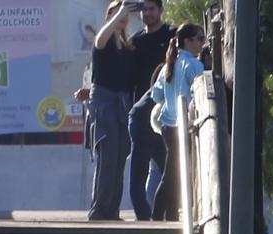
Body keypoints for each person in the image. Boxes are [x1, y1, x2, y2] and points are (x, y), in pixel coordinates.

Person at [150, 22, 206, 221]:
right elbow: (201, 96)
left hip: (167, 124)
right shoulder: (195, 65)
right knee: (172, 173)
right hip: (184, 125)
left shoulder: (169, 64)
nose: (203, 43)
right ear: (188, 41)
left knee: (173, 171)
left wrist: (170, 94)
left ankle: (171, 215)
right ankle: (157, 216)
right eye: (200, 38)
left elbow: (156, 95)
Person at [87, 1, 135, 221]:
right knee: (106, 156)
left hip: (122, 105)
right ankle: (99, 210)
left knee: (119, 158)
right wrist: (119, 13)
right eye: (117, 14)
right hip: (105, 103)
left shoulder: (127, 48)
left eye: (125, 14)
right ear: (110, 17)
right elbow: (99, 40)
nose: (123, 17)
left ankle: (112, 210)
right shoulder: (103, 42)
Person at [128, 0, 174, 220]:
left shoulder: (171, 36)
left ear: (160, 10)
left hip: (167, 115)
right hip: (143, 114)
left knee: (168, 171)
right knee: (141, 172)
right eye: (144, 9)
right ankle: (145, 220)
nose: (148, 13)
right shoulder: (135, 42)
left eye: (152, 8)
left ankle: (165, 216)